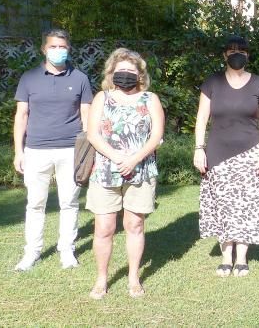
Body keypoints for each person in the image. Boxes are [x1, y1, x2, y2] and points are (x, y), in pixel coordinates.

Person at [86, 48, 165, 299]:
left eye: (131, 70)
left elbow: (156, 136)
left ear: (140, 74)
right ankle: (101, 279)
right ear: (111, 73)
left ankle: (133, 277)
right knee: (104, 228)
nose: (125, 74)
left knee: (135, 225)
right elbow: (93, 135)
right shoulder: (102, 98)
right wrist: (118, 157)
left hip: (141, 170)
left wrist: (134, 159)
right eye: (120, 70)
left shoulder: (150, 99)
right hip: (106, 171)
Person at [13, 28, 93, 271]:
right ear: (43, 49)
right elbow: (21, 116)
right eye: (53, 46)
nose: (58, 51)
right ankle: (32, 252)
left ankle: (66, 250)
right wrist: (19, 151)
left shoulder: (80, 78)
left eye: (62, 47)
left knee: (69, 202)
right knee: (35, 203)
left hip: (70, 150)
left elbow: (87, 116)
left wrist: (87, 151)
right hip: (36, 149)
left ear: (69, 49)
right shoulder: (29, 78)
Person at [194, 35, 259, 278]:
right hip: (218, 154)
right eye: (232, 50)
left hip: (250, 154)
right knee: (223, 206)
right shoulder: (212, 83)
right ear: (224, 55)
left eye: (242, 50)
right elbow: (201, 118)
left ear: (248, 55)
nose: (237, 54)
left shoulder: (258, 83)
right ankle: (226, 257)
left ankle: (242, 258)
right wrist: (198, 148)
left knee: (246, 205)